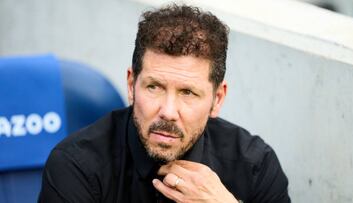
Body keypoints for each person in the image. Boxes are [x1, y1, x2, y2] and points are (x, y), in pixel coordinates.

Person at [38, 4, 290, 203]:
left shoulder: (255, 165)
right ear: (131, 85)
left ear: (217, 99)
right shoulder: (77, 166)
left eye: (188, 93)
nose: (168, 112)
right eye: (154, 87)